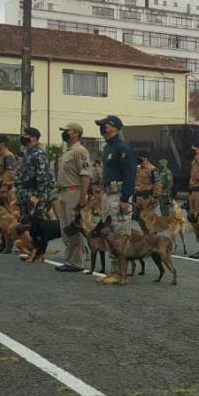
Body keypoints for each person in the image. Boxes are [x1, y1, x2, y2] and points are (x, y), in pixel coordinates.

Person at [94, 116, 136, 283]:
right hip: (107, 194)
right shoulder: (108, 147)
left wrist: (125, 198)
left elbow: (130, 174)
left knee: (120, 235)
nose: (102, 128)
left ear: (115, 128)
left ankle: (120, 274)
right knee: (109, 234)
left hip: (118, 194)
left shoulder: (122, 147)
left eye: (105, 125)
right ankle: (113, 270)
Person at [54, 122, 91, 272]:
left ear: (76, 133)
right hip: (63, 192)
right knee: (65, 228)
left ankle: (76, 262)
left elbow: (85, 175)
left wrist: (83, 197)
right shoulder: (67, 151)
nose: (64, 133)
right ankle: (71, 259)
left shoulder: (80, 151)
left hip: (74, 192)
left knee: (73, 227)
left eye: (67, 131)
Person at [13, 127, 56, 240]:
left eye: (25, 135)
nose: (22, 137)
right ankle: (30, 246)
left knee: (36, 224)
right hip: (26, 194)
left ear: (33, 138)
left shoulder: (39, 153)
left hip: (35, 194)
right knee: (26, 222)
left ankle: (38, 248)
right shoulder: (28, 152)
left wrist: (37, 196)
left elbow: (42, 176)